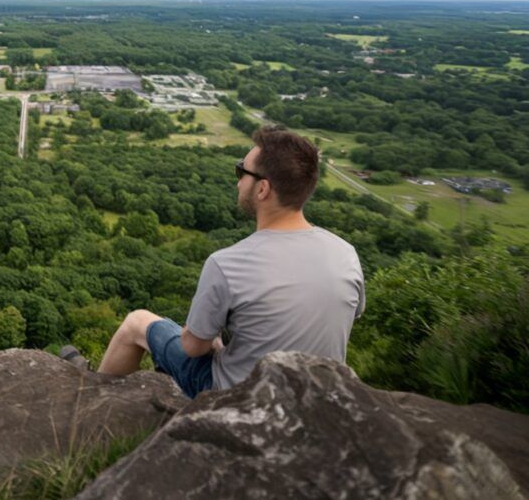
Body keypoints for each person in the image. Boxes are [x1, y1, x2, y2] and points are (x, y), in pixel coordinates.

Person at [84, 126, 365, 397]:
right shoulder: (346, 254)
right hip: (321, 398)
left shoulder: (228, 264)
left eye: (241, 171)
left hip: (241, 398)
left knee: (137, 321)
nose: (237, 179)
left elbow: (193, 347)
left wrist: (214, 343)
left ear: (263, 189)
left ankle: (90, 399)